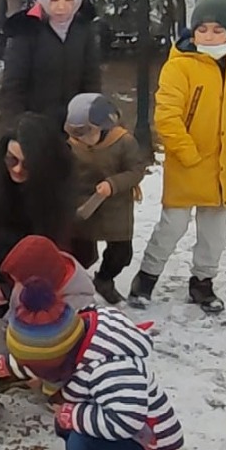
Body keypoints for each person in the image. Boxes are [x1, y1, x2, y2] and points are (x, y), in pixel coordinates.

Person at [4, 276, 181, 450]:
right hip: (128, 431)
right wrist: (8, 365)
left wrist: (72, 415)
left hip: (149, 443)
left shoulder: (110, 369)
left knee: (81, 442)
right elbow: (42, 356)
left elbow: (126, 419)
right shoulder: (74, 331)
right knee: (71, 427)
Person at [127, 0, 226, 313]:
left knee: (214, 232)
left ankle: (202, 283)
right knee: (172, 226)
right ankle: (146, 278)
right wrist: (187, 153)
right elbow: (167, 116)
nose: (209, 35)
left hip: (224, 165)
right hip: (189, 162)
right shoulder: (180, 67)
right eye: (203, 29)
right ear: (193, 30)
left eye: (218, 29)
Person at [0, 113, 74, 317]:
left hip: (39, 275)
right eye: (12, 159)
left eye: (27, 165)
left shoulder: (56, 188)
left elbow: (44, 246)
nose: (18, 169)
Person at [65, 93, 150, 303]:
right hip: (84, 203)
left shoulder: (124, 142)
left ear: (102, 126)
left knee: (121, 253)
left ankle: (104, 279)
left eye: (85, 132)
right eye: (76, 133)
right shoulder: (71, 144)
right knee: (81, 253)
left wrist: (113, 184)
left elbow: (137, 170)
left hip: (115, 207)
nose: (80, 138)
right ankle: (73, 286)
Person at [1, 0, 102, 122]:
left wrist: (90, 121)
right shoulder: (26, 29)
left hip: (75, 128)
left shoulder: (83, 29)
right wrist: (19, 130)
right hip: (35, 128)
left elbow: (92, 81)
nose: (62, 6)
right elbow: (13, 88)